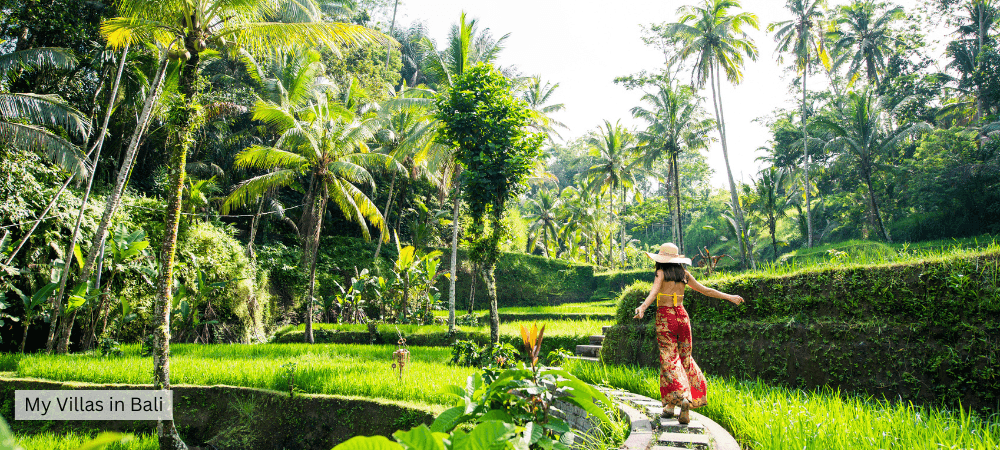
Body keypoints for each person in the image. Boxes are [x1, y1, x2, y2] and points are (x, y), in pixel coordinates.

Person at [633, 243, 745, 424]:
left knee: (669, 359)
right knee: (684, 358)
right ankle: (670, 407)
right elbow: (706, 290)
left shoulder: (661, 273)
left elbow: (653, 293)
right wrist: (729, 297)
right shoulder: (684, 274)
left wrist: (643, 307)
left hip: (666, 318)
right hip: (683, 318)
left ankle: (683, 397)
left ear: (661, 259)